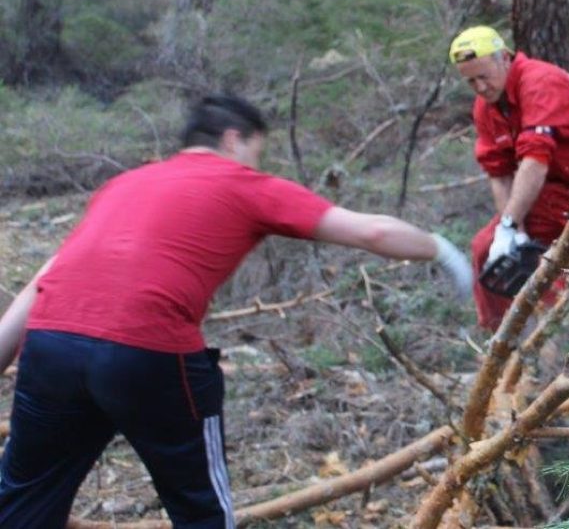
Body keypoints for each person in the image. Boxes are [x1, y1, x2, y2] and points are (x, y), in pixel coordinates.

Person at [0, 94, 473, 528]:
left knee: (24, 500)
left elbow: (47, 276)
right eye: (256, 151)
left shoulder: (123, 185)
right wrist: (440, 249)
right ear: (233, 139)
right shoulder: (246, 184)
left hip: (51, 345)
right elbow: (370, 232)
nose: (256, 163)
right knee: (201, 510)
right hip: (148, 351)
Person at [448, 25, 569, 372]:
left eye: (484, 76)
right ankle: (504, 350)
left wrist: (510, 223)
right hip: (545, 195)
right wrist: (513, 232)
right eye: (471, 83)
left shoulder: (540, 82)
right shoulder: (487, 107)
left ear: (504, 57)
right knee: (486, 251)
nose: (480, 88)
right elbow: (499, 172)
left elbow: (534, 162)